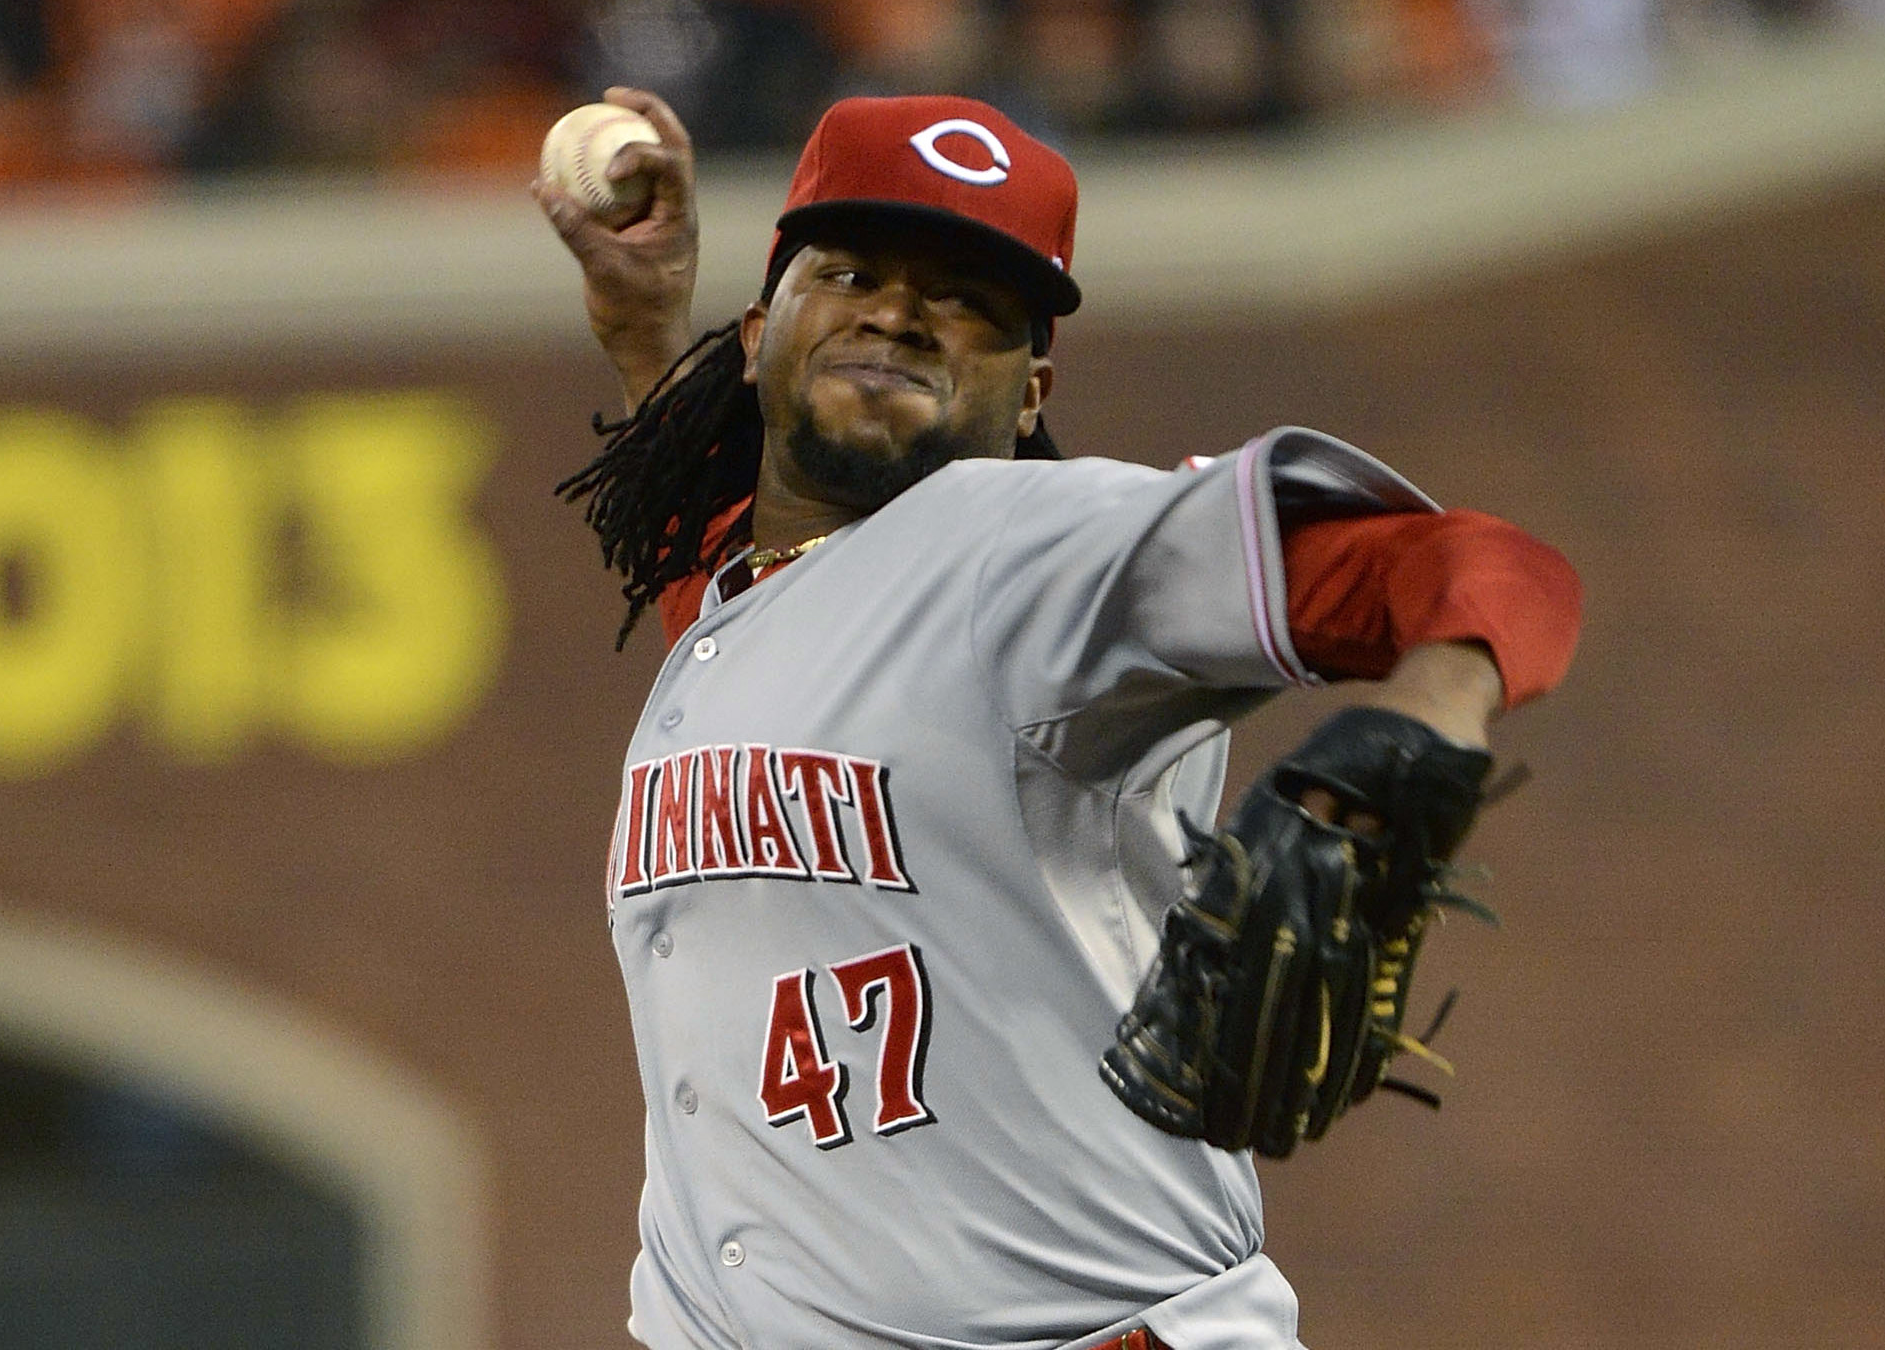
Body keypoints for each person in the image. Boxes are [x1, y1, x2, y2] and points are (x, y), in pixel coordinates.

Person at [537, 87, 1581, 1350]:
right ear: (758, 333)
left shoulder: (1043, 552)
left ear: (1032, 389)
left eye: (968, 296)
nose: (900, 311)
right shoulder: (742, 615)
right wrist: (650, 339)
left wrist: (1427, 720)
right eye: (855, 267)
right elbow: (768, 604)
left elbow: (1484, 564)